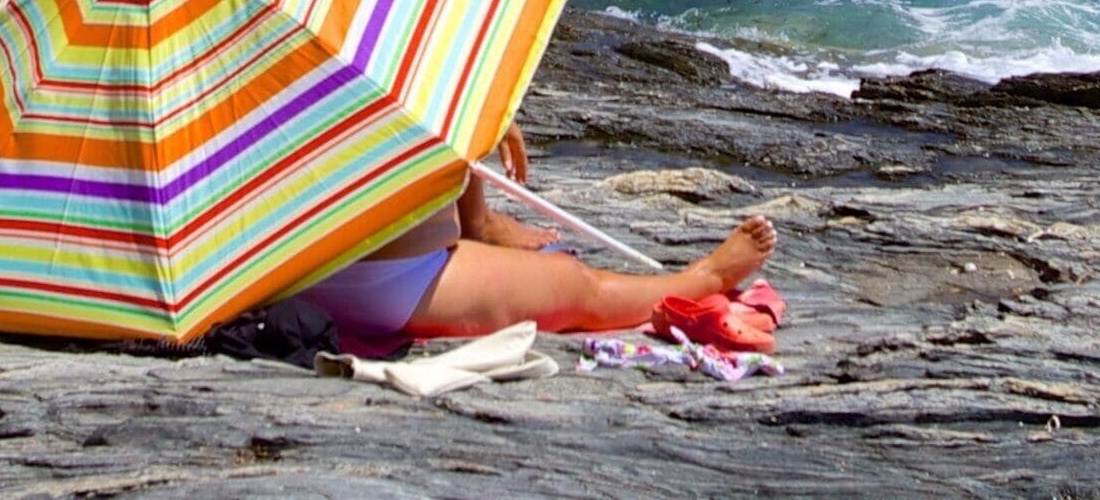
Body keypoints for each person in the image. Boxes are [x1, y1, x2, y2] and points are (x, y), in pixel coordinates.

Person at [282, 127, 776, 354]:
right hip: (391, 279)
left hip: (278, 278)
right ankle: (702, 277)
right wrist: (487, 114)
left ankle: (479, 223)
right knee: (577, 286)